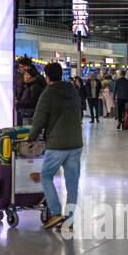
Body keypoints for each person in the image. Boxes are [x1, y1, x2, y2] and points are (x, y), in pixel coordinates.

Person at [30, 61, 82, 231]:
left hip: (57, 144)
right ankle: (70, 220)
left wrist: (31, 138)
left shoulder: (48, 93)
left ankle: (55, 212)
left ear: (47, 76)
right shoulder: (73, 90)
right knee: (72, 183)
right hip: (75, 143)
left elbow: (39, 119)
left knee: (45, 176)